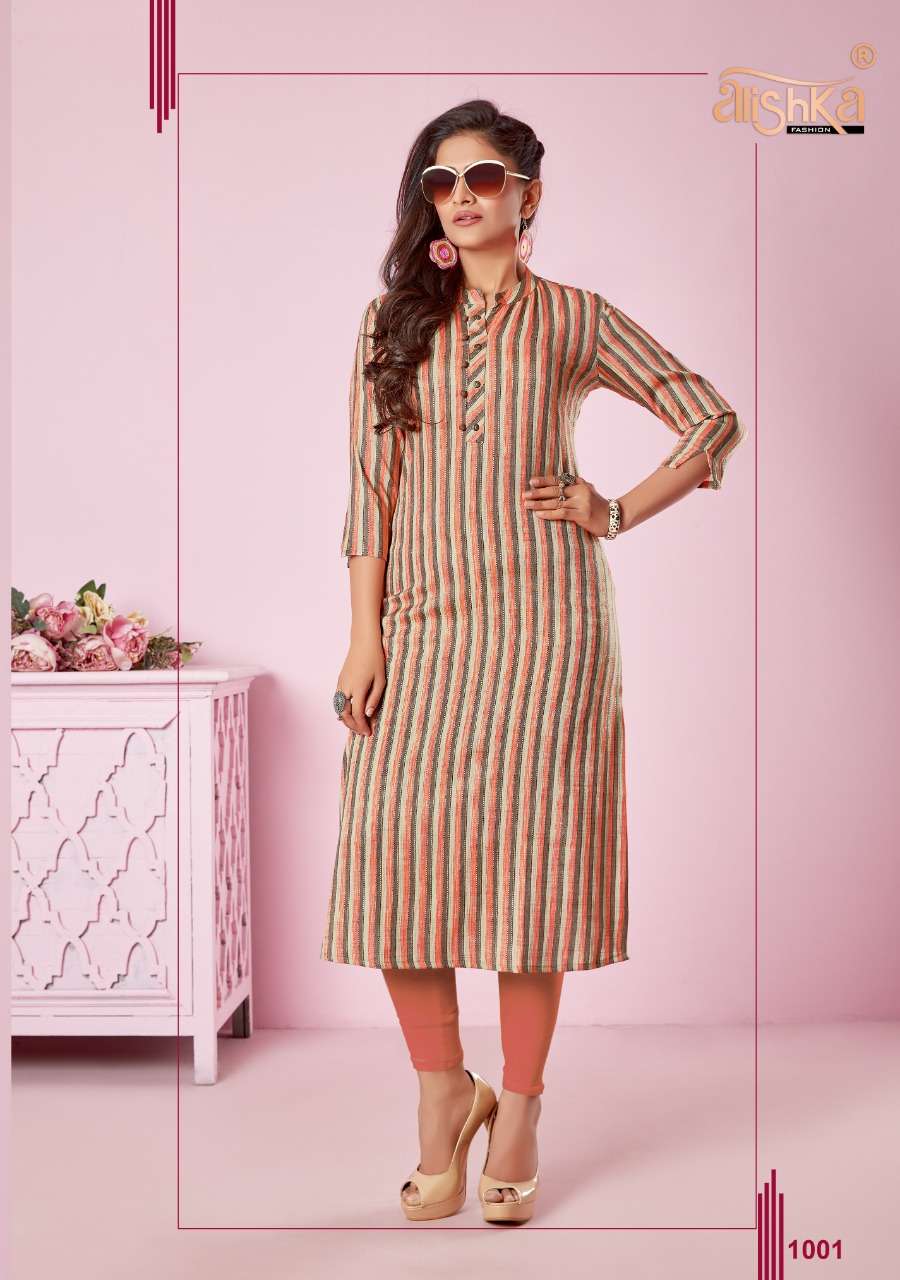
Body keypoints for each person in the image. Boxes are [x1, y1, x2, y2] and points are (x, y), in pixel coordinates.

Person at [321, 98, 746, 1225]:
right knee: (393, 853)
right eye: (441, 181)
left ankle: (518, 1106)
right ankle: (441, 1091)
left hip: (548, 629)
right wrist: (365, 635)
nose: (461, 196)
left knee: (532, 866)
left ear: (528, 194)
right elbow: (369, 491)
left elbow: (710, 418)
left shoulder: (574, 318)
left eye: (484, 177)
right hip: (420, 626)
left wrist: (616, 509)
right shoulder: (390, 324)